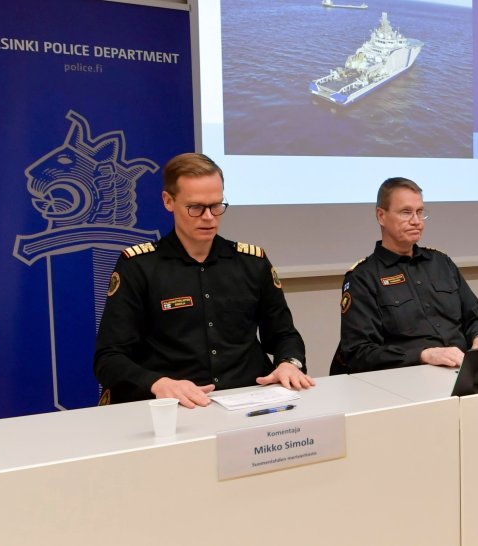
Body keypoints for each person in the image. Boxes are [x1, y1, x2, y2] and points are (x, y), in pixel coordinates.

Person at [94, 153, 314, 407]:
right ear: (168, 201)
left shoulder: (252, 262)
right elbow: (109, 358)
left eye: (216, 206)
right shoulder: (139, 267)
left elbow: (284, 334)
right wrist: (157, 383)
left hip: (247, 399)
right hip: (176, 405)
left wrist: (289, 363)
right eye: (196, 208)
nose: (209, 217)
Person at [330, 178, 478, 374]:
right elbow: (359, 353)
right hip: (406, 376)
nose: (416, 221)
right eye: (406, 212)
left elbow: (475, 318)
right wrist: (422, 355)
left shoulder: (441, 262)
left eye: (420, 212)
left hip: (462, 371)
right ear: (381, 216)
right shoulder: (363, 277)